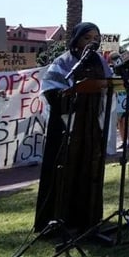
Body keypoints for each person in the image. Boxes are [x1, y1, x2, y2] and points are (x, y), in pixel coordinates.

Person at [34, 22, 113, 234]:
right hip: (64, 127)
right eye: (87, 37)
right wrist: (68, 99)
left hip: (90, 126)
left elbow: (110, 83)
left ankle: (87, 219)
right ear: (76, 39)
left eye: (95, 38)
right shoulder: (64, 61)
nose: (92, 42)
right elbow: (51, 90)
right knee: (62, 171)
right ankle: (56, 221)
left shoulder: (99, 61)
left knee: (90, 169)